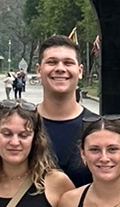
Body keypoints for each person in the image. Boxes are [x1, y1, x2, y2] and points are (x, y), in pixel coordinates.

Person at [34, 36, 89, 183]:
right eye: (51, 62)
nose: (60, 68)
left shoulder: (97, 127)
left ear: (80, 71)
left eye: (68, 63)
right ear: (39, 70)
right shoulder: (23, 125)